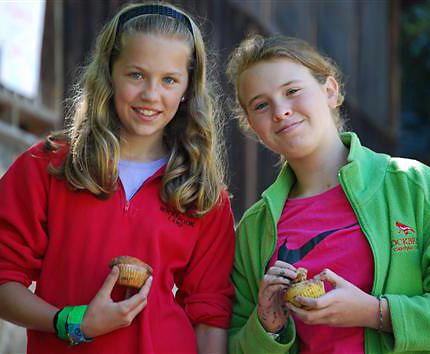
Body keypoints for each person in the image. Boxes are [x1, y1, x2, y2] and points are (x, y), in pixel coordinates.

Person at [0, 2, 235, 353]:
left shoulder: (202, 193)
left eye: (169, 80)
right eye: (136, 74)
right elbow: (4, 278)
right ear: (110, 72)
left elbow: (210, 315)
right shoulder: (48, 166)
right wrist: (71, 322)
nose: (151, 95)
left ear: (187, 88)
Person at [226, 34, 430, 353]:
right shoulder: (254, 228)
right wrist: (266, 324)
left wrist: (373, 312)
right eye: (261, 105)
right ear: (254, 127)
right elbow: (236, 346)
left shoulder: (413, 185)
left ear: (330, 91)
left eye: (292, 91)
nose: (280, 111)